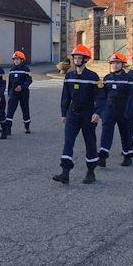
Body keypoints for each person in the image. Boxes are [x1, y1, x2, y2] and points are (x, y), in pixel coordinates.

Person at [52, 44, 104, 185]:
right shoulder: (69, 76)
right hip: (72, 114)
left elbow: (100, 97)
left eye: (80, 57)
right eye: (75, 57)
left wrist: (97, 113)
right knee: (68, 142)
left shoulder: (93, 77)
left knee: (90, 142)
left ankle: (91, 172)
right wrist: (64, 113)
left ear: (85, 60)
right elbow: (65, 97)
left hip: (88, 114)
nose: (76, 59)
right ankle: (65, 172)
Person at [96, 52, 133, 167]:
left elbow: (132, 96)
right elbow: (102, 95)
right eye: (113, 63)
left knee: (125, 133)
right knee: (106, 132)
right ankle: (102, 157)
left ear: (122, 64)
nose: (115, 65)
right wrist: (102, 111)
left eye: (118, 63)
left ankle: (127, 156)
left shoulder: (129, 79)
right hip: (109, 109)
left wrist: (130, 112)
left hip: (124, 109)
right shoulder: (107, 78)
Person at [2, 51, 32, 138]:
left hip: (24, 92)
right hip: (13, 93)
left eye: (17, 59)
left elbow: (29, 80)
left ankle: (27, 126)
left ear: (22, 60)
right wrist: (9, 93)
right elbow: (10, 83)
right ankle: (8, 128)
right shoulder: (11, 70)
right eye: (14, 59)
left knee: (25, 109)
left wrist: (22, 87)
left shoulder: (26, 69)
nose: (16, 61)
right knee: (10, 110)